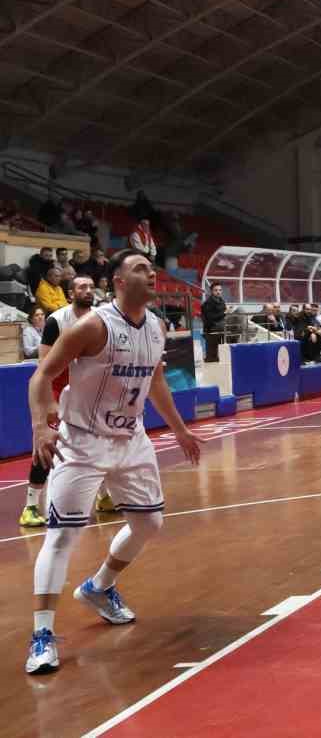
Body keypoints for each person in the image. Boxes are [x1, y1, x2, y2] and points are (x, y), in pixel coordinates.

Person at [23, 249, 203, 675]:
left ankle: (99, 587)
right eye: (140, 268)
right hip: (82, 440)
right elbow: (42, 375)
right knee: (62, 536)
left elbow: (155, 379)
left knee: (149, 523)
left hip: (130, 437)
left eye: (150, 267)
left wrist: (178, 428)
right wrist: (40, 427)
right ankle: (42, 635)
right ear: (119, 281)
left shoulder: (157, 326)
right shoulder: (94, 325)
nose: (151, 274)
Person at [19, 278, 100, 529]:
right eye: (81, 287)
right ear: (70, 293)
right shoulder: (57, 320)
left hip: (87, 390)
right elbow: (44, 368)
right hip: (57, 388)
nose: (87, 291)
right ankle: (31, 506)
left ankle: (105, 497)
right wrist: (49, 401)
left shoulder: (101, 317)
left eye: (91, 287)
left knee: (100, 442)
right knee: (47, 445)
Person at [201, 282, 227, 364]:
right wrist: (225, 313)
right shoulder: (208, 303)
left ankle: (247, 330)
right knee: (229, 326)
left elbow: (223, 314)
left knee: (240, 311)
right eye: (216, 290)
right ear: (211, 291)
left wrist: (227, 313)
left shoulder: (222, 301)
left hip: (221, 323)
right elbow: (210, 318)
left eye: (220, 290)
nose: (218, 292)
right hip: (212, 326)